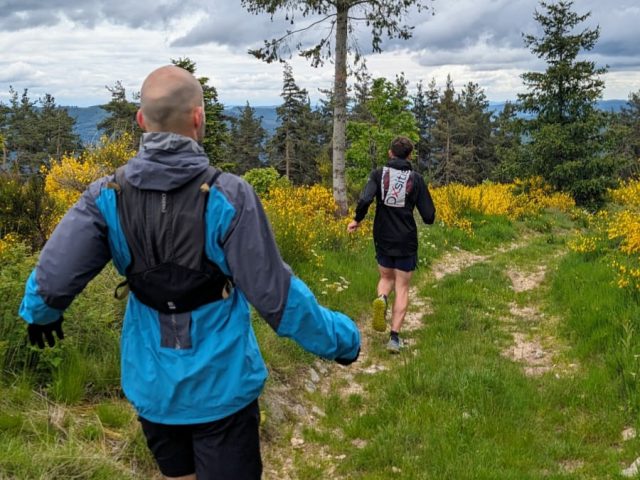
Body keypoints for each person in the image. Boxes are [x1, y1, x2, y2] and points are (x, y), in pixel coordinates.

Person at [19, 65, 360, 480]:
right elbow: (279, 300)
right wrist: (342, 341)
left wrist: (40, 313)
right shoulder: (228, 195)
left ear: (141, 121)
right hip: (223, 389)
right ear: (198, 118)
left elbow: (52, 276)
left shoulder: (107, 195)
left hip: (152, 387)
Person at [347, 136, 435, 353]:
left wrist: (357, 219)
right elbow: (429, 216)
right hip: (406, 239)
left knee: (386, 277)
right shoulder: (416, 179)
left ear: (390, 153)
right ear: (410, 155)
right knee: (403, 286)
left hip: (383, 237)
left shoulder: (378, 175)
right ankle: (394, 339)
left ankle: (382, 299)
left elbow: (365, 199)